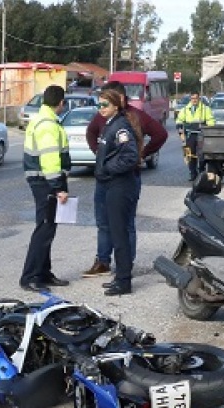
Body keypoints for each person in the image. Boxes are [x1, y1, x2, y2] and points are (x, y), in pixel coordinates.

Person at [82, 79, 168, 278]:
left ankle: (125, 265)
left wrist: (142, 154)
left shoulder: (135, 116)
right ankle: (103, 261)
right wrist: (99, 155)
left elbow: (160, 134)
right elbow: (91, 132)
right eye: (101, 102)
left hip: (126, 179)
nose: (102, 106)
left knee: (126, 224)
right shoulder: (104, 116)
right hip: (104, 181)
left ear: (119, 98)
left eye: (106, 101)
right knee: (103, 223)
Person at [19, 84, 71, 293]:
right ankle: (30, 276)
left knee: (49, 226)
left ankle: (43, 272)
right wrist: (58, 187)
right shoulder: (48, 124)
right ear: (61, 103)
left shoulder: (44, 120)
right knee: (45, 227)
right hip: (45, 182)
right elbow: (50, 159)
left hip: (43, 180)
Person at [93, 87, 141, 296]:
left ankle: (124, 281)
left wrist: (107, 168)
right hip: (112, 185)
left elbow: (130, 157)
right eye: (99, 104)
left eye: (105, 105)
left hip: (121, 185)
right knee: (115, 231)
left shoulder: (121, 128)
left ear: (115, 106)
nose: (101, 109)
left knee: (120, 234)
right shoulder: (110, 125)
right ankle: (120, 277)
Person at [175, 91, 215, 181]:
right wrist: (180, 132)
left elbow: (211, 121)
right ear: (190, 99)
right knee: (189, 154)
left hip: (201, 135)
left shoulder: (205, 109)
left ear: (199, 99)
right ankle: (193, 173)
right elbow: (179, 121)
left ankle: (201, 172)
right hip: (190, 135)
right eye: (192, 98)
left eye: (196, 98)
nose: (194, 100)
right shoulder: (185, 110)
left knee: (201, 155)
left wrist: (208, 128)